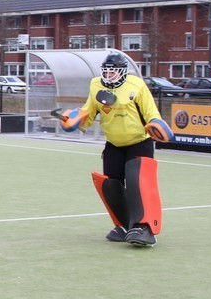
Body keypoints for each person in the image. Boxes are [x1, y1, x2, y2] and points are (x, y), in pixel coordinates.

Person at [59, 53, 173, 247]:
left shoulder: (136, 85)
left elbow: (151, 112)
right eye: (106, 71)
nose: (109, 75)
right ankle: (124, 225)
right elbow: (89, 112)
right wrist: (74, 118)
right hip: (113, 143)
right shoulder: (96, 85)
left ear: (123, 71)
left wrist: (156, 124)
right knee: (112, 185)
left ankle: (144, 228)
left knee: (138, 184)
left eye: (113, 71)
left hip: (139, 142)